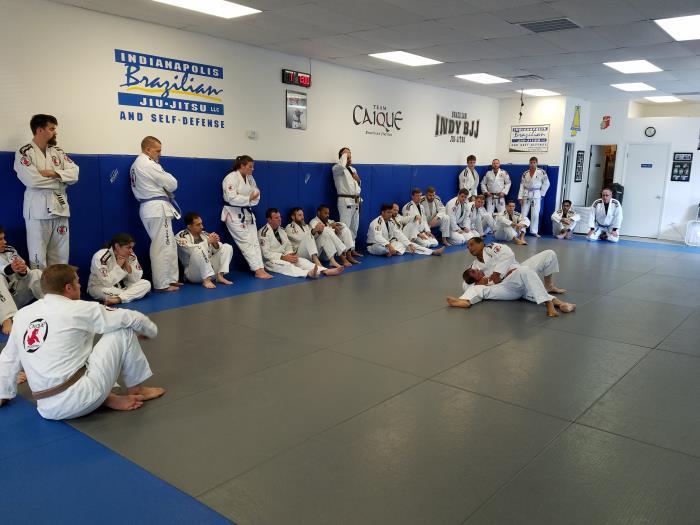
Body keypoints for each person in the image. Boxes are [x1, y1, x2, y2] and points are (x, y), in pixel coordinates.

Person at [0, 264, 165, 420]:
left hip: (46, 408)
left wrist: (2, 393)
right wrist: (150, 331)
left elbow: (8, 358)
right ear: (68, 288)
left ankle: (106, 398)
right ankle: (136, 389)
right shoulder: (80, 308)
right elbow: (132, 318)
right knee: (124, 330)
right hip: (81, 399)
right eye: (77, 282)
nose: (80, 286)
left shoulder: (22, 315)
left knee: (73, 346)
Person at [14, 114, 79, 269]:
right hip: (37, 211)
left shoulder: (58, 152)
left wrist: (52, 173)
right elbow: (32, 180)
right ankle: (40, 286)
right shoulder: (25, 152)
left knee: (61, 256)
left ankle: (60, 285)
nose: (55, 132)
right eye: (51, 129)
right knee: (38, 258)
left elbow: (75, 173)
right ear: (39, 130)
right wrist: (61, 180)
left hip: (60, 208)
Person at [130, 136, 181, 292]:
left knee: (168, 244)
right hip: (156, 208)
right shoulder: (147, 164)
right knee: (162, 246)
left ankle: (171, 279)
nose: (160, 154)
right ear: (148, 149)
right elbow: (172, 184)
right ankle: (162, 284)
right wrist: (167, 178)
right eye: (158, 151)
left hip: (153, 207)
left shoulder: (138, 164)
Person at [446, 266, 575, 318]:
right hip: (506, 291)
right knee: (476, 290)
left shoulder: (490, 273)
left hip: (515, 286)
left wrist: (509, 273)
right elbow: (472, 289)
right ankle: (463, 301)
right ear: (472, 279)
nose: (477, 270)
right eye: (473, 272)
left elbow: (503, 272)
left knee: (527, 275)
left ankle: (562, 304)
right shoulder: (477, 286)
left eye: (475, 269)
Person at [221, 155, 272, 279]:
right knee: (246, 243)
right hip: (233, 214)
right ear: (242, 166)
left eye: (253, 167)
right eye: (250, 167)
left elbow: (256, 194)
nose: (252, 169)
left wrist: (249, 199)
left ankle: (261, 268)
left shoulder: (250, 178)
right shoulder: (231, 178)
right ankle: (257, 270)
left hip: (247, 212)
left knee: (254, 241)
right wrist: (248, 198)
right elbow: (231, 198)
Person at [259, 209, 343, 278]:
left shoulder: (281, 230)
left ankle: (325, 270)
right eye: (276, 218)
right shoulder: (263, 233)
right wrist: (282, 257)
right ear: (269, 220)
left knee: (302, 261)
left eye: (280, 217)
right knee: (288, 266)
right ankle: (308, 273)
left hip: (285, 256)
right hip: (271, 261)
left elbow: (288, 245)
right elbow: (265, 254)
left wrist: (290, 254)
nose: (280, 219)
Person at [466, 237, 566, 294]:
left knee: (549, 254)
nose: (470, 248)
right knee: (524, 286)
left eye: (472, 245)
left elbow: (509, 254)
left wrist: (496, 274)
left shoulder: (492, 248)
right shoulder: (474, 266)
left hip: (519, 270)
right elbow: (470, 283)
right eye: (468, 247)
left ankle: (548, 286)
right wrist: (486, 282)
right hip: (505, 285)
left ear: (481, 243)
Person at [0, 225, 43, 335]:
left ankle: (54, 305)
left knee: (36, 273)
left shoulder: (9, 250)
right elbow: (3, 270)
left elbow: (24, 273)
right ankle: (7, 319)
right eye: (0, 239)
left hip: (14, 297)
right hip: (2, 306)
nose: (4, 242)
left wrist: (22, 270)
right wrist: (10, 269)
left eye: (4, 238)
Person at [87, 233, 151, 305]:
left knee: (146, 284)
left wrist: (127, 264)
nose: (131, 251)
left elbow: (136, 279)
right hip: (100, 287)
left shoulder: (130, 255)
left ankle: (118, 299)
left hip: (122, 286)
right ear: (117, 246)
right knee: (127, 292)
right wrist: (118, 265)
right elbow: (107, 282)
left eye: (132, 247)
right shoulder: (100, 257)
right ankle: (127, 296)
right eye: (128, 247)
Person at [176, 212, 233, 288]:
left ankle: (220, 276)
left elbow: (216, 251)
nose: (202, 226)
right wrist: (207, 242)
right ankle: (206, 281)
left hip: (212, 272)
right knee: (199, 249)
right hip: (194, 274)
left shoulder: (204, 234)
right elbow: (191, 250)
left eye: (201, 223)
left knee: (227, 247)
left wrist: (215, 243)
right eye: (198, 225)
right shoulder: (181, 236)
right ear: (189, 226)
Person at [367, 204, 444, 257]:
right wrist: (389, 246)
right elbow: (378, 237)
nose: (390, 214)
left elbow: (398, 233)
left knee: (409, 245)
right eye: (388, 212)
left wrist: (409, 244)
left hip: (388, 243)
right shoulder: (377, 222)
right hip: (375, 245)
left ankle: (432, 252)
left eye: (391, 212)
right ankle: (390, 251)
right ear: (382, 212)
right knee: (382, 249)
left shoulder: (391, 221)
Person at [332, 147, 362, 253]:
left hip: (355, 201)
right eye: (347, 156)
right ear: (342, 157)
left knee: (354, 227)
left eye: (350, 156)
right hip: (345, 201)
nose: (349, 158)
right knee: (345, 227)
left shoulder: (353, 170)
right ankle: (344, 252)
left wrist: (358, 181)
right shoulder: (337, 169)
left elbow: (356, 187)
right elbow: (341, 165)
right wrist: (344, 155)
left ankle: (352, 249)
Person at [518, 157, 550, 237]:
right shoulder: (525, 173)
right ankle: (522, 230)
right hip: (526, 194)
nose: (532, 164)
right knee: (523, 213)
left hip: (536, 194)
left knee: (535, 214)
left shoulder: (542, 172)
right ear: (529, 163)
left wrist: (541, 194)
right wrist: (520, 197)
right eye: (531, 162)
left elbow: (547, 183)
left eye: (534, 162)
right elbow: (522, 185)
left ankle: (534, 231)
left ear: (537, 163)